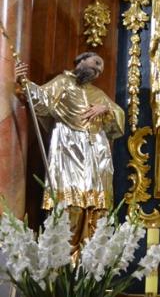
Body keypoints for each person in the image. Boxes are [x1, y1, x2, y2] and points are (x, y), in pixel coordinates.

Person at [14, 53, 125, 244]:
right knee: (70, 205)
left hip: (96, 156)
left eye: (100, 70)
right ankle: (65, 255)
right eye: (96, 63)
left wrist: (105, 109)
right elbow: (40, 97)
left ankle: (89, 253)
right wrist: (22, 82)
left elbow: (119, 116)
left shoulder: (97, 93)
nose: (98, 70)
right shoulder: (63, 82)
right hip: (69, 151)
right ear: (81, 61)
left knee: (96, 208)